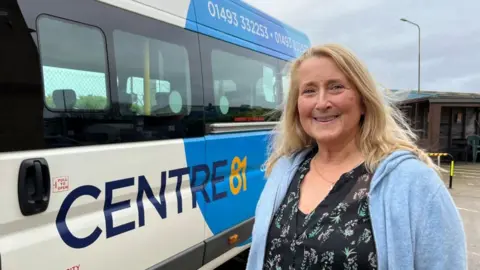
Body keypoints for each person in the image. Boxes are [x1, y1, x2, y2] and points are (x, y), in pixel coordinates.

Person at [246, 44, 467, 270]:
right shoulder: (284, 172)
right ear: (296, 106)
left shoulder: (413, 182)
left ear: (363, 100)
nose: (322, 103)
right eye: (309, 91)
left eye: (336, 87)